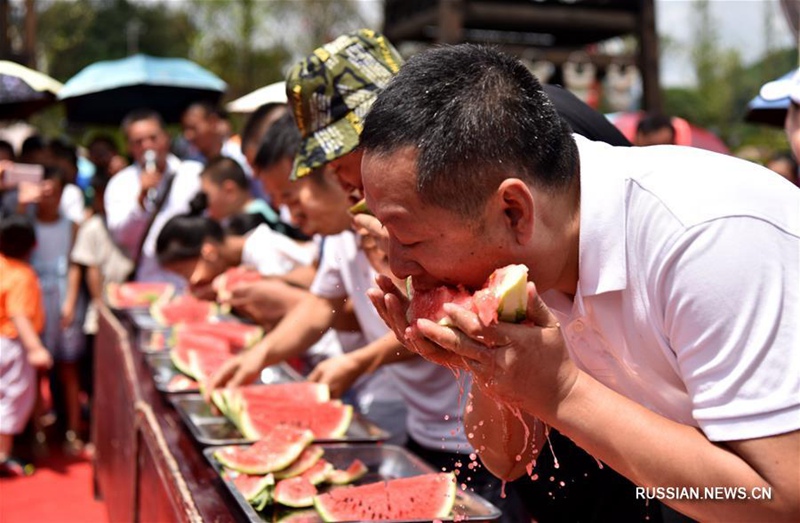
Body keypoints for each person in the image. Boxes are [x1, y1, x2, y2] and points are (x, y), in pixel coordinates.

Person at [360, 44, 800, 522]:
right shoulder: (532, 252)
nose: (398, 266)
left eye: (409, 236)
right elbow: (505, 462)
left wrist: (563, 392)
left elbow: (777, 502)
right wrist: (483, 361)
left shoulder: (705, 239)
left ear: (514, 211)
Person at [217, 29, 529, 520]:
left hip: (505, 437)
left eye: (343, 162)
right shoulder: (355, 221)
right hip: (440, 430)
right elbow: (326, 304)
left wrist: (360, 359)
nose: (344, 183)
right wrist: (260, 355)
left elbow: (452, 319)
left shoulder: (455, 204)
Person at [104, 108, 203, 288]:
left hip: (190, 282)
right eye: (138, 142)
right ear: (128, 146)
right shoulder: (120, 184)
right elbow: (121, 237)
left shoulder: (193, 175)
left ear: (167, 138)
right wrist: (140, 201)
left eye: (153, 138)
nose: (147, 146)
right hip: (147, 281)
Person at [27, 167, 88, 454]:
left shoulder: (71, 225)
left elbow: (75, 264)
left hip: (63, 296)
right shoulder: (27, 223)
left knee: (68, 367)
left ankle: (73, 431)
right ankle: (38, 433)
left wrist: (71, 301)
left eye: (53, 192)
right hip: (36, 298)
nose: (47, 198)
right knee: (36, 370)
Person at [0, 215, 53, 476]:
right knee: (12, 397)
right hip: (12, 344)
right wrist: (35, 348)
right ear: (33, 244)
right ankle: (3, 456)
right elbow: (18, 314)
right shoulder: (22, 275)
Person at [198, 156, 282, 228]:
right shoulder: (233, 220)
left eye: (206, 196)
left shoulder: (259, 219)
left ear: (229, 191)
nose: (204, 203)